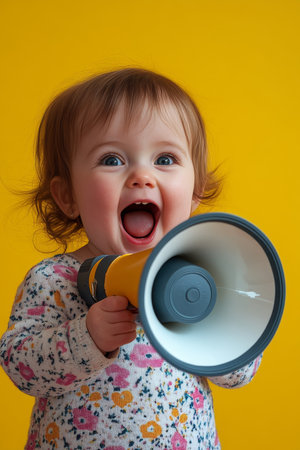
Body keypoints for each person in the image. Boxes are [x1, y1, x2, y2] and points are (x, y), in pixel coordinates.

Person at [0, 68, 261, 449]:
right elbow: (20, 368)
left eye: (166, 159)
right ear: (67, 195)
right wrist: (85, 338)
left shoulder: (203, 278)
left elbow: (241, 374)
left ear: (194, 194)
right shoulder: (54, 279)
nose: (142, 175)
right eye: (111, 159)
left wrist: (214, 321)